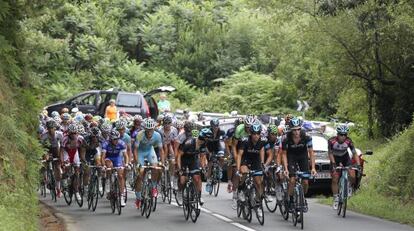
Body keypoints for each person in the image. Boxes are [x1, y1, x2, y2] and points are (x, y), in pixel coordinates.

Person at [281, 117, 317, 212]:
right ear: (291, 130)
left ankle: (302, 198)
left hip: (303, 156)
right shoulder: (286, 138)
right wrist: (286, 168)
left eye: (298, 129)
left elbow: (311, 153)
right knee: (292, 180)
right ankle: (291, 200)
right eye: (294, 130)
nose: (297, 132)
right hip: (291, 156)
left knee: (305, 182)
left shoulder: (307, 136)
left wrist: (313, 168)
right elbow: (284, 154)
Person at [133, 118, 164, 209]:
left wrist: (161, 161)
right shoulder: (140, 135)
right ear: (145, 129)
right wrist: (137, 162)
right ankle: (138, 198)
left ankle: (154, 187)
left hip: (150, 151)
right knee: (141, 173)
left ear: (154, 129)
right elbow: (135, 150)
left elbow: (161, 150)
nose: (149, 131)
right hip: (140, 153)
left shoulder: (157, 135)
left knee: (156, 167)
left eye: (151, 129)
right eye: (148, 129)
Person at [237, 123, 266, 219]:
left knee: (258, 183)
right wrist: (238, 169)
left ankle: (258, 205)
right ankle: (241, 189)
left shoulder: (262, 141)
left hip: (255, 160)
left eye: (258, 134)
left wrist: (262, 164)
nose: (256, 136)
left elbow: (262, 151)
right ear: (251, 134)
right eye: (254, 134)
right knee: (245, 172)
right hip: (245, 159)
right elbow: (239, 155)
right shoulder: (245, 141)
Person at [328, 124, 360, 210]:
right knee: (335, 178)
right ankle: (336, 198)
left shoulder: (349, 141)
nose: (343, 136)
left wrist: (358, 164)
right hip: (335, 158)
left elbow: (354, 153)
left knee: (352, 174)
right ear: (337, 134)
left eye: (345, 134)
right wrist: (334, 164)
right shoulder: (331, 141)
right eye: (341, 134)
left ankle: (349, 187)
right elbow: (330, 153)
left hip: (345, 157)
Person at [101, 129, 129, 207]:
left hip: (117, 158)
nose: (116, 141)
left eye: (117, 139)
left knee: (120, 176)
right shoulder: (105, 144)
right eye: (114, 139)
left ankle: (121, 196)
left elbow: (125, 155)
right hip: (108, 158)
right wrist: (103, 166)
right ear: (110, 139)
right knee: (109, 167)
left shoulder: (121, 143)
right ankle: (108, 182)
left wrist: (126, 164)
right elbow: (103, 157)